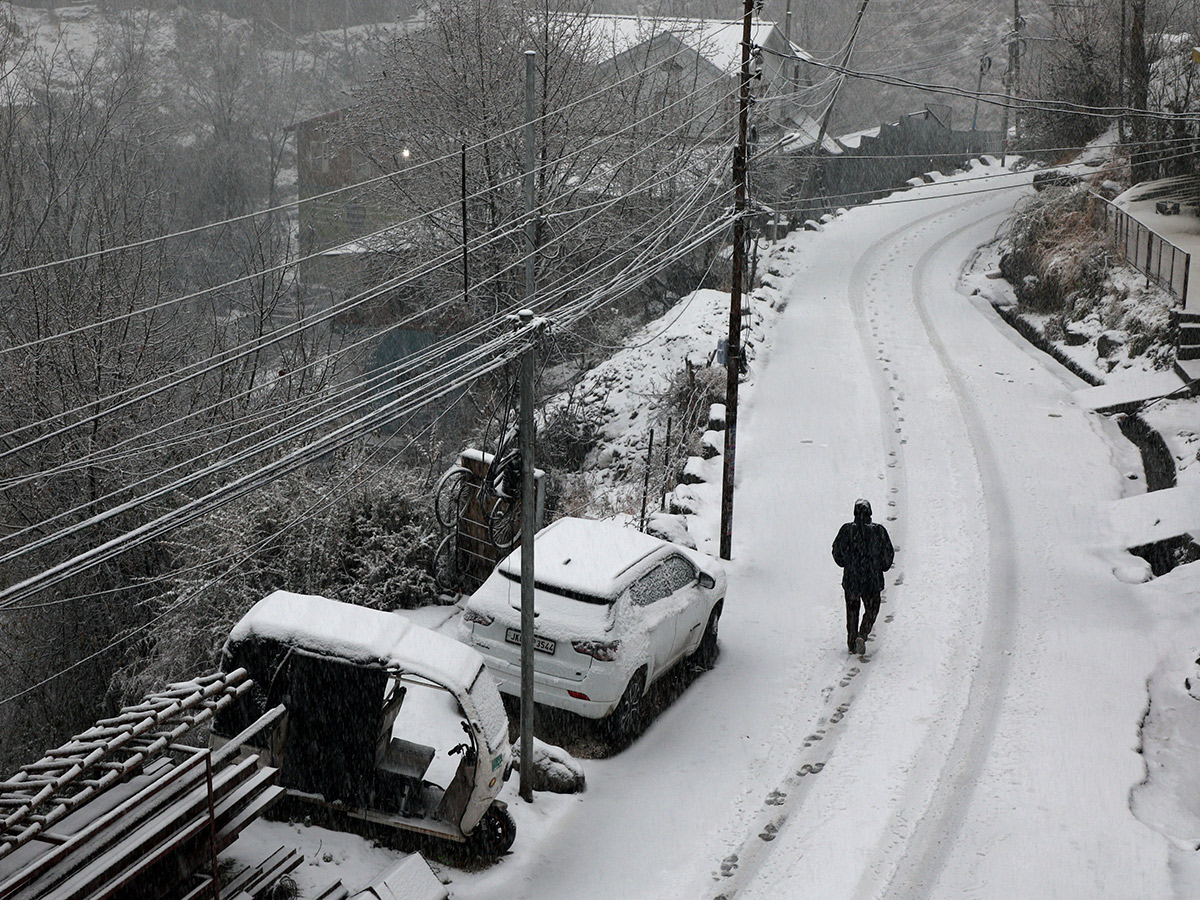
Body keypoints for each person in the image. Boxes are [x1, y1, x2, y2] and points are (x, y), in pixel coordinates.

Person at [831, 499, 895, 656]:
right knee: (872, 608)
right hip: (871, 580)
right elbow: (888, 554)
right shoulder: (878, 531)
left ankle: (852, 642)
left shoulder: (847, 530)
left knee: (852, 611)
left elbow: (836, 551)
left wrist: (847, 563)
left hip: (852, 579)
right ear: (870, 513)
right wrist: (881, 566)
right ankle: (862, 634)